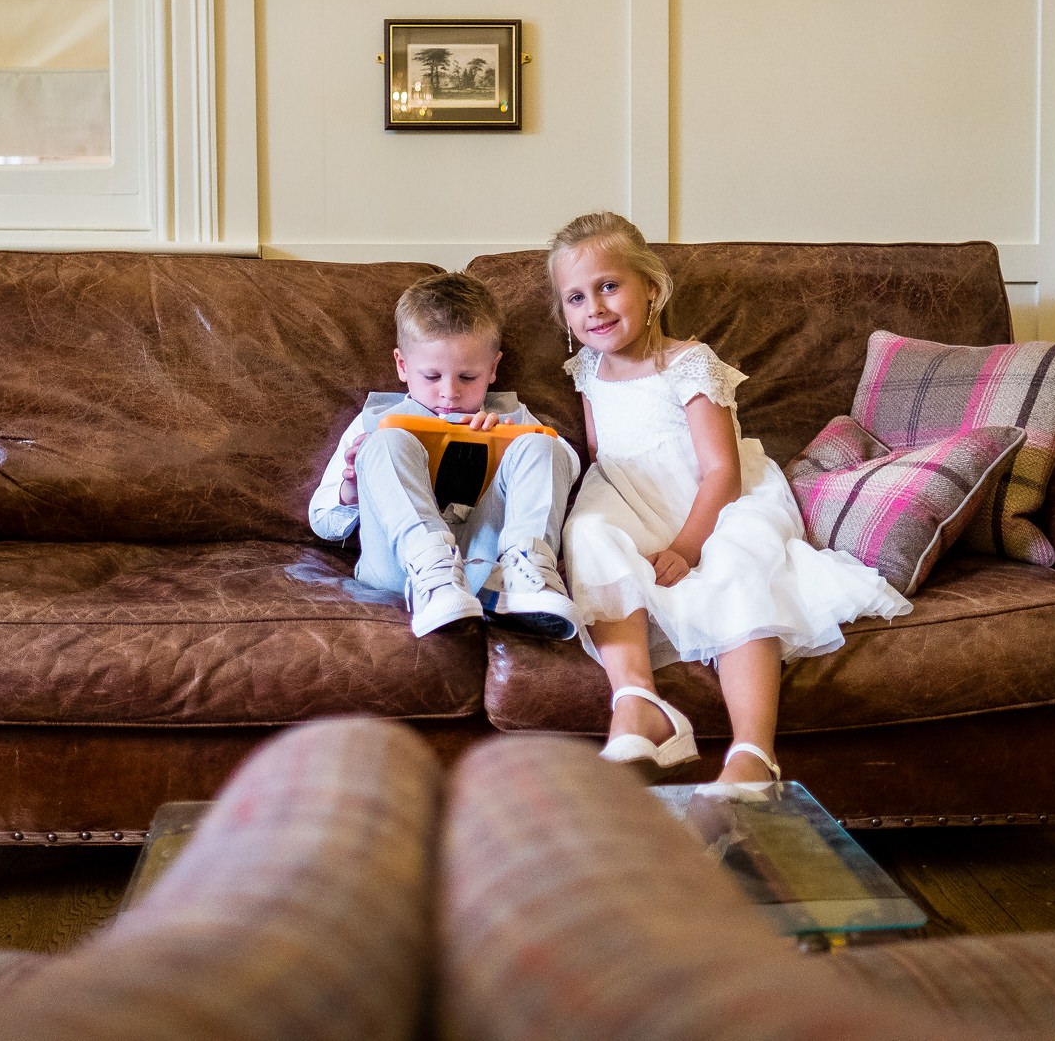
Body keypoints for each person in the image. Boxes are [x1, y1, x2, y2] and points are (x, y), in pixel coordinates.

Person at [549, 212, 909, 793]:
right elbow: (601, 459)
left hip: (716, 500)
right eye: (575, 297)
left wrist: (690, 547)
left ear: (652, 288)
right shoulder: (586, 370)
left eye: (609, 286)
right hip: (630, 497)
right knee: (588, 532)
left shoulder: (689, 362)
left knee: (742, 569)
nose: (594, 306)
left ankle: (752, 754)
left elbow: (720, 469)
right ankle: (637, 699)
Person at [309, 272, 581, 639]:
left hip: (486, 567)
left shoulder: (509, 415)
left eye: (467, 377)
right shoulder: (373, 421)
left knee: (541, 443)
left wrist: (508, 438)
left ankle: (525, 573)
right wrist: (351, 490)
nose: (449, 393)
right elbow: (322, 521)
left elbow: (565, 464)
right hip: (399, 570)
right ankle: (434, 578)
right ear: (403, 366)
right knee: (387, 442)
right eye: (432, 376)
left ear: (493, 369)